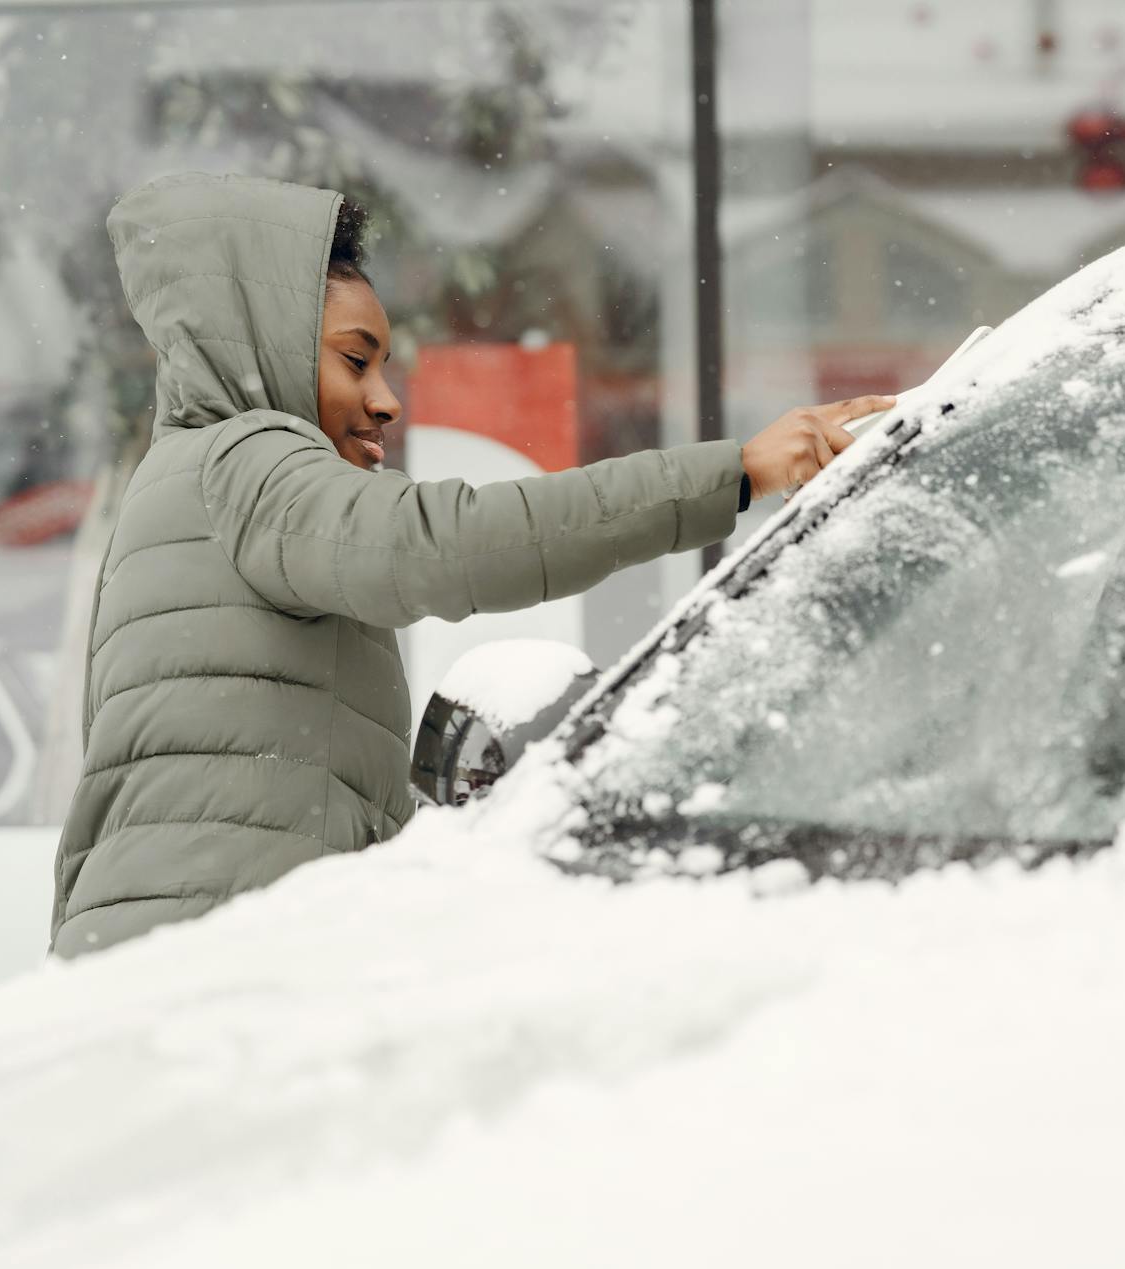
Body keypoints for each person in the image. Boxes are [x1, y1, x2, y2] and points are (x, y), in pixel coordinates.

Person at [49, 172, 891, 956]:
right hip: (216, 962)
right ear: (265, 347)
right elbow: (446, 545)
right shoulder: (248, 463)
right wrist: (736, 473)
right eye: (355, 359)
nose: (386, 399)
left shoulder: (180, 486)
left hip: (162, 950)